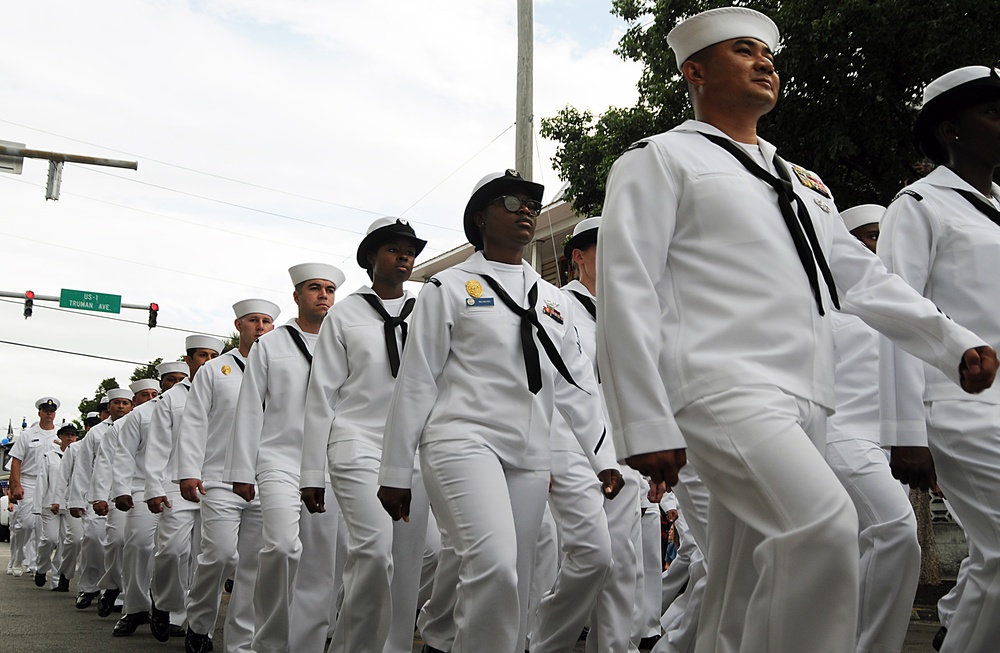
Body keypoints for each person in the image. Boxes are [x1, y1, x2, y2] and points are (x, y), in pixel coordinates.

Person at [596, 8, 998, 653]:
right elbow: (627, 287)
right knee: (822, 526)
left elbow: (862, 277)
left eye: (768, 53)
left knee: (738, 584)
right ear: (694, 72)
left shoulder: (801, 182)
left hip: (807, 394)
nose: (765, 61)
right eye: (744, 51)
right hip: (719, 384)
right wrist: (642, 421)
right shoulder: (660, 158)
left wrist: (953, 344)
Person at [378, 170, 623, 653]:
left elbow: (575, 383)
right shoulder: (448, 287)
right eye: (511, 202)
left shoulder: (552, 299)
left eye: (532, 202)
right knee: (492, 562)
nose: (526, 209)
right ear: (479, 219)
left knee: (517, 578)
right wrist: (395, 469)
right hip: (461, 440)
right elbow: (417, 379)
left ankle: (453, 640)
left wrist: (604, 458)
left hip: (529, 453)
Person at [879, 65, 1000, 653]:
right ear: (950, 129)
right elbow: (896, 314)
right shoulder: (919, 205)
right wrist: (906, 432)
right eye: (992, 113)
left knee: (990, 561)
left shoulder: (995, 207)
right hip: (961, 409)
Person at [301, 218, 429, 653]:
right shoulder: (345, 315)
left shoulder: (429, 310)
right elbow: (321, 397)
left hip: (414, 450)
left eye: (410, 250)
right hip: (357, 442)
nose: (404, 256)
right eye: (393, 248)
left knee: (414, 562)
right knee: (374, 552)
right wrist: (311, 473)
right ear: (371, 257)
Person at [531, 216, 643, 653]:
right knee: (592, 557)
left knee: (623, 561)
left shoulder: (627, 310)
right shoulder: (555, 304)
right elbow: (545, 382)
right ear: (579, 257)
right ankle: (547, 643)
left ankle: (615, 648)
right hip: (569, 442)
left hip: (621, 446)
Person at [226, 262, 345, 653]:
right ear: (297, 296)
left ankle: (308, 644)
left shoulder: (344, 340)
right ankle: (270, 643)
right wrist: (243, 469)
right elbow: (249, 408)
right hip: (279, 459)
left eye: (329, 289)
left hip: (328, 463)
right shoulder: (270, 345)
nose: (323, 295)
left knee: (320, 565)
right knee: (280, 547)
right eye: (314, 288)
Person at [824, 204, 921, 653]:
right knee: (896, 531)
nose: (875, 245)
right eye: (864, 236)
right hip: (839, 435)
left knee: (862, 554)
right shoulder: (818, 301)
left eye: (881, 236)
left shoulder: (897, 302)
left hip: (888, 445)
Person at [175, 299, 279, 653]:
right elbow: (195, 421)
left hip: (267, 479)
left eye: (267, 321)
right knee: (219, 555)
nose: (261, 326)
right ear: (239, 326)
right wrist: (189, 471)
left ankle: (240, 643)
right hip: (219, 478)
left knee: (252, 567)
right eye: (254, 320)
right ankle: (200, 623)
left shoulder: (282, 369)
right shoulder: (215, 369)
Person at [145, 336, 223, 641]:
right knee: (172, 550)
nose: (207, 360)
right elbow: (158, 445)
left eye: (213, 355)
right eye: (201, 355)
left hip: (215, 483)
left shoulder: (228, 388)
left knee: (211, 557)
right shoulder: (171, 399)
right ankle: (163, 603)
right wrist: (154, 486)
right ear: (189, 360)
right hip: (175, 484)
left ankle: (200, 625)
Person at [108, 361, 188, 637]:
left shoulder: (196, 406)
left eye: (182, 379)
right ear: (161, 382)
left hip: (180, 486)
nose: (176, 383)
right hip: (143, 488)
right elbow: (125, 453)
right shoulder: (140, 414)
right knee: (138, 545)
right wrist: (122, 489)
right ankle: (136, 607)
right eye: (170, 379)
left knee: (179, 553)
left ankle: (173, 612)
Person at [91, 378, 158, 619]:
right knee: (119, 540)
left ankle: (153, 601)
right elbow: (106, 463)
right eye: (144, 395)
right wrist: (101, 496)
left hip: (163, 490)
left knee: (159, 550)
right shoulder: (118, 428)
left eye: (153, 394)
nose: (149, 399)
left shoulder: (169, 417)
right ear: (135, 400)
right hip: (126, 491)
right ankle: (112, 586)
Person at [68, 389, 133, 610]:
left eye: (125, 403)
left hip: (127, 494)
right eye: (117, 403)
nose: (121, 407)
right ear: (109, 407)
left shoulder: (138, 425)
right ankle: (89, 587)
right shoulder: (95, 433)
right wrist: (78, 500)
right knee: (93, 540)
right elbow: (84, 467)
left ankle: (118, 592)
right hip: (98, 495)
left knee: (121, 543)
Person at [8, 396, 60, 578]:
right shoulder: (28, 435)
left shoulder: (59, 436)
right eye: (45, 410)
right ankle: (17, 558)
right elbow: (16, 461)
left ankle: (38, 563)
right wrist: (16, 485)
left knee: (44, 528)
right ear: (39, 413)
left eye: (52, 411)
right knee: (25, 525)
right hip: (29, 481)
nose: (49, 413)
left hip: (51, 484)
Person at [33, 422, 78, 589]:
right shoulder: (49, 456)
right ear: (59, 437)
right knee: (50, 538)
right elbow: (42, 481)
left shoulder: (80, 455)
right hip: (50, 504)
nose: (69, 437)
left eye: (72, 435)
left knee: (68, 542)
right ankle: (42, 568)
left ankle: (62, 577)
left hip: (70, 504)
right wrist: (38, 506)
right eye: (66, 434)